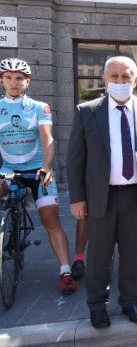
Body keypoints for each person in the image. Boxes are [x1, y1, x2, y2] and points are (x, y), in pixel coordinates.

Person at [68, 56, 137, 329]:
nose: (120, 81)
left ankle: (129, 301)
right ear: (104, 79)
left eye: (126, 76)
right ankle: (97, 306)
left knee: (133, 256)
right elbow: (75, 160)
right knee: (98, 257)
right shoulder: (87, 112)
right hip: (100, 196)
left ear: (136, 80)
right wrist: (77, 198)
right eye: (114, 76)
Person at [0, 58, 80, 295]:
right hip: (8, 169)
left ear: (27, 82)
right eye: (8, 78)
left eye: (19, 78)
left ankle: (65, 272)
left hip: (37, 170)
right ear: (2, 81)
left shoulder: (38, 107)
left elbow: (47, 139)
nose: (14, 82)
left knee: (51, 222)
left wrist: (46, 167)